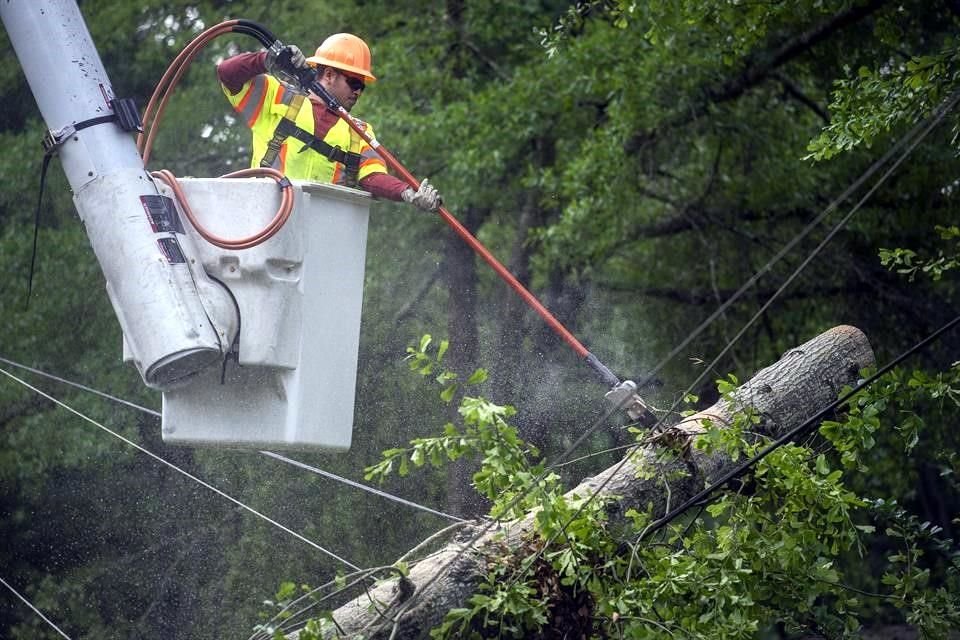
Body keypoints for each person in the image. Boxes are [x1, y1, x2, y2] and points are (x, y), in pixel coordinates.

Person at [216, 33, 441, 212]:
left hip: (320, 229)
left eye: (362, 86)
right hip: (265, 217)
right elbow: (226, 73)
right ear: (330, 75)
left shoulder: (358, 131)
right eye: (354, 83)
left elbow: (372, 177)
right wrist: (266, 59)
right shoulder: (275, 96)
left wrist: (407, 192)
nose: (359, 91)